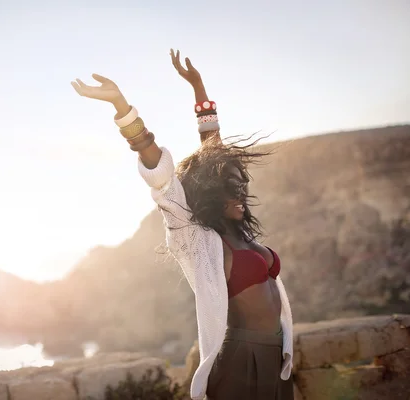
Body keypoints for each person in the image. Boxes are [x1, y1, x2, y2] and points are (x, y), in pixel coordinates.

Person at [71, 49, 294, 400]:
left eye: (241, 184)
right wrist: (121, 107)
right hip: (240, 357)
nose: (238, 192)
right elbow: (158, 172)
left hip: (276, 354)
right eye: (227, 187)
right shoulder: (198, 239)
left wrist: (199, 87)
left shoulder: (244, 234)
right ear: (208, 194)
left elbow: (214, 149)